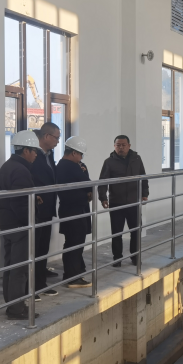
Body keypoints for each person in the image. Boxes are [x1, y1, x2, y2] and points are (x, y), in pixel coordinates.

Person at [0, 131, 43, 319]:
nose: (36, 154)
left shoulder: (7, 166)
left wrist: (33, 199)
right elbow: (20, 203)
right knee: (20, 268)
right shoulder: (21, 170)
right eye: (34, 151)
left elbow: (14, 197)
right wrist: (30, 222)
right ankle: (16, 309)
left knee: (10, 265)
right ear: (25, 150)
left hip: (8, 224)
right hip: (20, 226)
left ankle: (12, 304)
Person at [98, 135, 149, 267]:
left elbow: (143, 177)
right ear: (114, 146)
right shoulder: (109, 162)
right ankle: (117, 258)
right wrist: (103, 198)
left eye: (123, 145)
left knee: (136, 231)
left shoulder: (137, 159)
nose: (120, 147)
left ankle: (135, 256)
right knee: (116, 233)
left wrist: (144, 194)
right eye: (118, 145)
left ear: (129, 146)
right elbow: (103, 181)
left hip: (134, 202)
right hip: (117, 202)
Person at [56, 136, 92, 288]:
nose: (81, 158)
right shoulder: (69, 166)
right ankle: (72, 277)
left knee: (73, 243)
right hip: (74, 210)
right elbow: (88, 185)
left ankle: (75, 273)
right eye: (80, 154)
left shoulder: (64, 166)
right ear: (74, 153)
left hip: (71, 209)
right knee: (74, 243)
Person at [30, 123, 61, 298]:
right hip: (35, 209)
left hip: (47, 208)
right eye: (56, 137)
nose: (58, 141)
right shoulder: (32, 155)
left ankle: (40, 284)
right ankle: (31, 287)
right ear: (47, 136)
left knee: (43, 248)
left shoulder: (50, 154)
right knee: (33, 249)